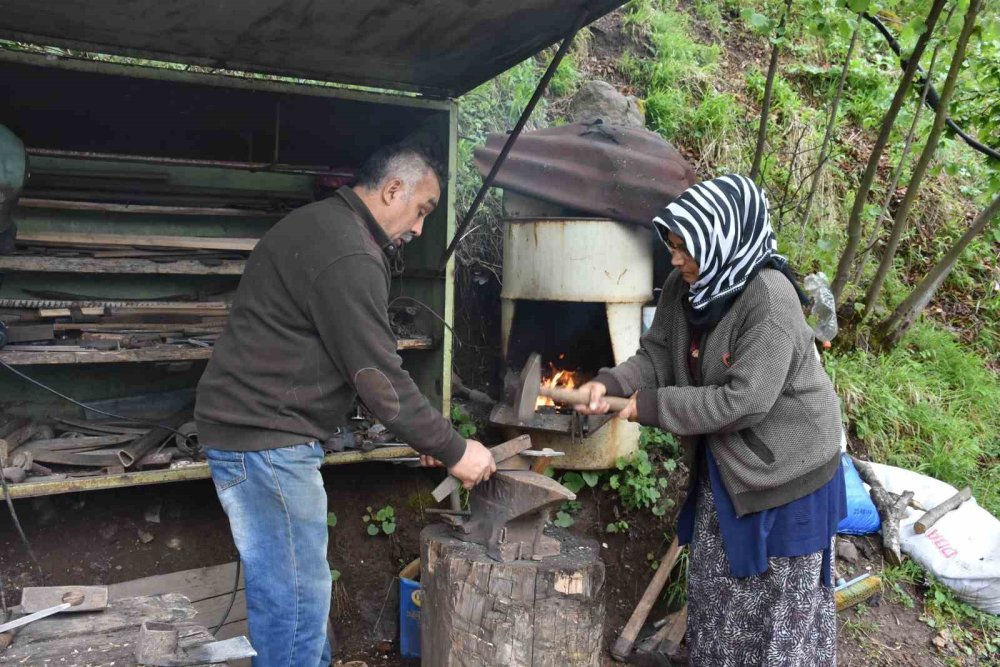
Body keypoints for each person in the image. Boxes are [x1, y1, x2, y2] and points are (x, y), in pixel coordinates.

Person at [194, 142, 496, 666]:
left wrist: (425, 437)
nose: (421, 228)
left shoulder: (320, 224)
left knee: (295, 597)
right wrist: (453, 448)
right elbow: (378, 379)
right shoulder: (351, 251)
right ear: (392, 189)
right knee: (294, 605)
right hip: (268, 443)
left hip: (258, 438)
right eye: (422, 210)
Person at [576, 174, 847, 666]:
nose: (675, 258)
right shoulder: (689, 286)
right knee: (716, 596)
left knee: (776, 615)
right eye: (673, 245)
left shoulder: (770, 301)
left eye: (685, 247)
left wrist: (652, 407)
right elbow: (656, 353)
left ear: (721, 241)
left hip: (788, 473)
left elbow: (744, 401)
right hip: (729, 465)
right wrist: (613, 383)